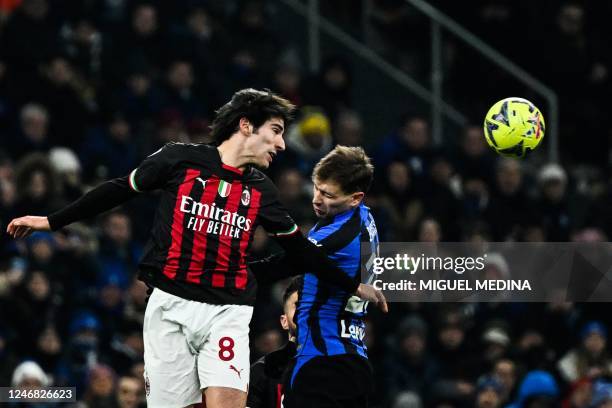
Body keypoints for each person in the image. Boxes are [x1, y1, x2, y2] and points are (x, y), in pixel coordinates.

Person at [7, 89, 387, 408]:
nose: (282, 143)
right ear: (245, 125)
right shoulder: (179, 159)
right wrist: (51, 221)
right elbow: (120, 189)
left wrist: (353, 286)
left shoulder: (262, 191)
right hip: (170, 305)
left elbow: (300, 252)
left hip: (228, 309)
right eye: (275, 130)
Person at [258, 145, 380, 407]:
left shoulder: (336, 235)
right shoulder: (365, 219)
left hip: (323, 367)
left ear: (355, 197)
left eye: (327, 194)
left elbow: (279, 266)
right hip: (354, 361)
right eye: (316, 187)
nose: (316, 199)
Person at [247, 276, 301, 408]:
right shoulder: (262, 371)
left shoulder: (339, 369)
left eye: (311, 307)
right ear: (284, 321)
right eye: (298, 306)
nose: (305, 312)